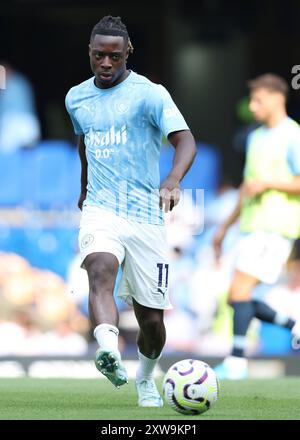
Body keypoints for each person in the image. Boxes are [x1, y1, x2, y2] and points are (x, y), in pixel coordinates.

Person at [65, 16, 196, 406]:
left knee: (152, 321)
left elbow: (185, 140)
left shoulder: (151, 94)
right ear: (89, 53)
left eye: (114, 56)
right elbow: (85, 146)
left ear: (128, 54)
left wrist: (172, 180)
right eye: (99, 56)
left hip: (144, 215)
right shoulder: (77, 97)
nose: (106, 64)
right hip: (100, 208)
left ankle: (144, 377)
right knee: (99, 269)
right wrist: (84, 189)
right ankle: (107, 348)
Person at [213, 73, 300, 379]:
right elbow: (248, 187)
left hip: (276, 227)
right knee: (238, 297)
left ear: (278, 98)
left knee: (239, 292)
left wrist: (268, 183)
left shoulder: (293, 135)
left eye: (258, 99)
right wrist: (224, 228)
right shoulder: (256, 137)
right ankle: (295, 326)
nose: (252, 106)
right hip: (251, 226)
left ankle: (237, 362)